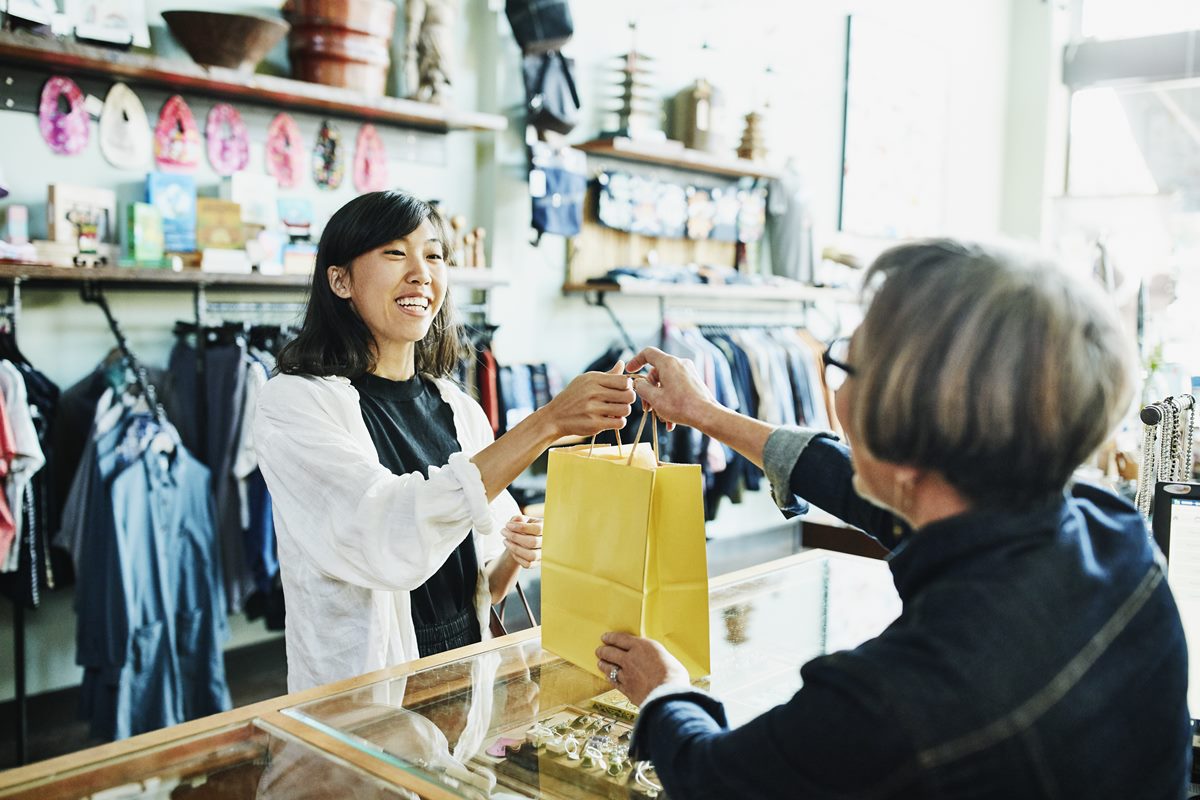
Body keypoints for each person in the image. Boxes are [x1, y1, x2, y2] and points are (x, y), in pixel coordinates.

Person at [595, 239, 1191, 798]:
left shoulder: (894, 700)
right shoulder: (1115, 532)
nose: (838, 386)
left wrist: (664, 695)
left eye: (850, 366)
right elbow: (860, 487)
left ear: (906, 441)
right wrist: (705, 413)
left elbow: (715, 779)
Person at [255, 190, 634, 691]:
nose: (421, 273)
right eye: (395, 253)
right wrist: (548, 423)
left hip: (462, 684)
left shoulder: (461, 411)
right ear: (340, 280)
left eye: (434, 254)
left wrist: (514, 558)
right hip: (364, 698)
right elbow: (384, 532)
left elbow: (482, 589)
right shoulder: (294, 404)